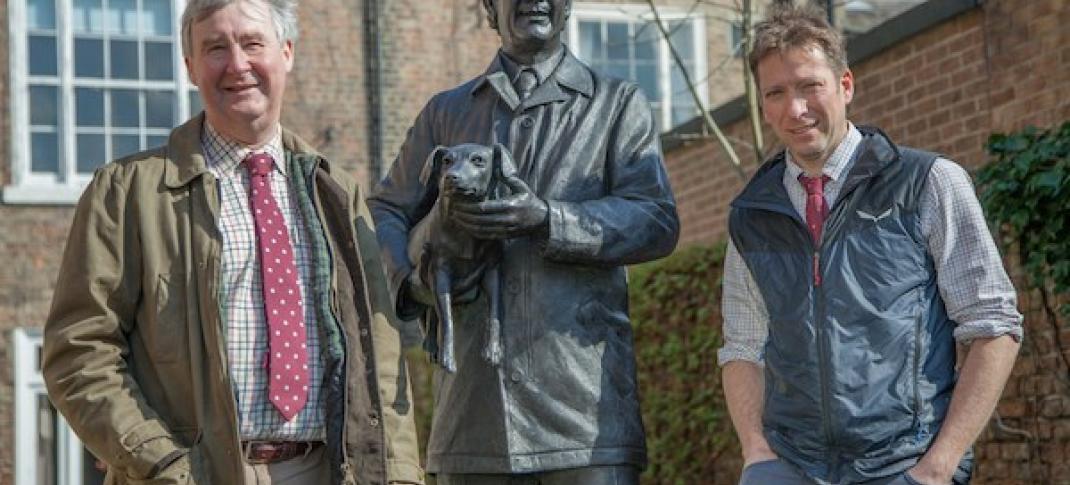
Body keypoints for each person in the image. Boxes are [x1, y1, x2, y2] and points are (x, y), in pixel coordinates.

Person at [42, 0, 423, 483]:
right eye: (215, 48)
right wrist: (161, 462)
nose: (237, 64)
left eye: (252, 43)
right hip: (194, 474)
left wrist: (401, 474)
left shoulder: (336, 193)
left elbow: (380, 357)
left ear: (286, 53)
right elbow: (78, 351)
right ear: (190, 67)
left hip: (323, 470)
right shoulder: (125, 193)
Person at [367, 0, 679, 482]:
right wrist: (412, 282)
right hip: (473, 418)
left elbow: (656, 219)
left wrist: (549, 220)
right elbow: (385, 210)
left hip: (585, 420)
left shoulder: (616, 104)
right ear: (490, 7)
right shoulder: (445, 114)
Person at [719, 4, 1022, 485]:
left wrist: (938, 467)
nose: (794, 109)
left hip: (905, 464)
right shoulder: (751, 215)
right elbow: (742, 346)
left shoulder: (929, 183)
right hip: (791, 466)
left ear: (845, 85)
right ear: (762, 106)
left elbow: (994, 326)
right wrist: (757, 454)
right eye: (775, 93)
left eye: (809, 86)